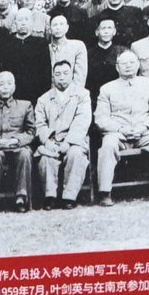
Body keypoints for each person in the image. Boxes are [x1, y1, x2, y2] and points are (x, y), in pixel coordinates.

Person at [91, 48, 149, 200]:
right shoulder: (107, 88)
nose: (128, 66)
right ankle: (105, 192)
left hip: (145, 132)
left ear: (138, 65)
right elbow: (101, 118)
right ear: (117, 67)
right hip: (118, 134)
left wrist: (144, 127)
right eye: (123, 63)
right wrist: (121, 129)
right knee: (107, 145)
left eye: (131, 62)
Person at [35, 62, 95, 205]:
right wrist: (47, 141)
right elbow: (40, 124)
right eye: (58, 74)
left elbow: (82, 120)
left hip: (74, 140)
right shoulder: (43, 99)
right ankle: (50, 196)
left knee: (75, 155)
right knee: (45, 159)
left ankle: (69, 196)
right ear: (53, 77)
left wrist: (68, 142)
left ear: (72, 75)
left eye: (65, 73)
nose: (62, 77)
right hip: (53, 140)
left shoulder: (82, 95)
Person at [0, 71, 38, 212]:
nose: (5, 87)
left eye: (9, 84)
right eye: (1, 84)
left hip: (18, 146)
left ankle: (21, 198)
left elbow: (31, 132)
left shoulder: (25, 105)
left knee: (25, 154)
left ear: (14, 87)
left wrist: (17, 140)